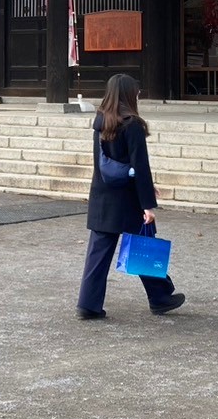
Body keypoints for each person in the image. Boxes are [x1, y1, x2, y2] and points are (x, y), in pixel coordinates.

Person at [77, 73, 185, 320]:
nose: (137, 95)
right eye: (135, 91)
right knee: (142, 246)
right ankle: (160, 297)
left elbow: (104, 163)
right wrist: (147, 204)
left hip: (103, 195)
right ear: (128, 93)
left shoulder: (100, 121)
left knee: (98, 253)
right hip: (128, 198)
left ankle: (88, 303)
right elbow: (140, 166)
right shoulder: (132, 124)